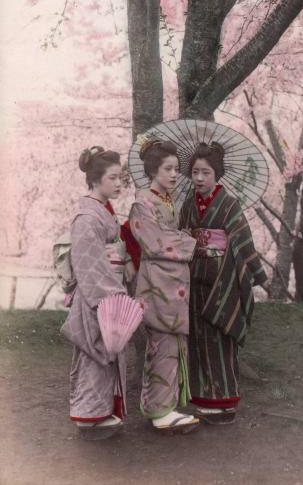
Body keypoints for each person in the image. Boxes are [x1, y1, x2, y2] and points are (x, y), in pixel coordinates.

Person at [179, 142, 267, 425]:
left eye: (206, 172)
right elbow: (181, 235)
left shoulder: (229, 204)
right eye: (195, 172)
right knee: (197, 336)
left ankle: (225, 400)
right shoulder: (188, 204)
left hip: (222, 276)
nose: (199, 178)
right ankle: (203, 398)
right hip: (194, 274)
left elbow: (242, 239)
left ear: (217, 174)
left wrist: (257, 274)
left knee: (219, 335)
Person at [129, 139, 199, 434]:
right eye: (168, 169)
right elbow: (156, 241)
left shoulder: (166, 200)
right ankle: (160, 411)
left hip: (170, 282)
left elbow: (168, 235)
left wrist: (183, 235)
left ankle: (166, 405)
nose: (174, 175)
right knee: (162, 345)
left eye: (176, 169)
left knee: (172, 344)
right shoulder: (142, 202)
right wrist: (194, 242)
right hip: (157, 282)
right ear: (153, 170)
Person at [61, 146, 128, 439]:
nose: (118, 183)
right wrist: (110, 294)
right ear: (96, 179)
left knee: (105, 355)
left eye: (120, 177)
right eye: (112, 178)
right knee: (94, 354)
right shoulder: (86, 217)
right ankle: (88, 417)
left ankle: (97, 413)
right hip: (95, 293)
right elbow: (87, 263)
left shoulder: (101, 211)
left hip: (106, 286)